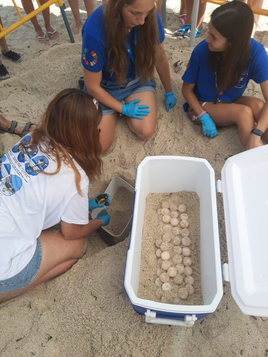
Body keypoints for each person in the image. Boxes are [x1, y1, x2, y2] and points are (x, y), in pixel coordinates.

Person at [0, 88, 111, 303]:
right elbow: (71, 233)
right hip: (3, 264)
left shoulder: (30, 138)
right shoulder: (75, 176)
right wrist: (98, 222)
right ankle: (9, 289)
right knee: (76, 247)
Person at [82, 0, 177, 152]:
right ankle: (115, 111)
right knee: (99, 146)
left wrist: (168, 90)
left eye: (147, 12)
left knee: (145, 131)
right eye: (135, 13)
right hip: (105, 86)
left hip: (136, 79)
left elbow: (160, 56)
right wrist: (123, 108)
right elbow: (93, 86)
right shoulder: (95, 31)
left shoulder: (149, 15)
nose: (142, 21)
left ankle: (117, 112)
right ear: (117, 5)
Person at [181, 1, 268, 150]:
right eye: (209, 32)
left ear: (233, 43)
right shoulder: (202, 51)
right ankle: (254, 158)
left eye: (214, 37)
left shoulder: (255, 52)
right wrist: (203, 115)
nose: (207, 39)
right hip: (203, 103)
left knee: (260, 107)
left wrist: (258, 131)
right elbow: (186, 90)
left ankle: (258, 146)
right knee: (244, 113)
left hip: (228, 98)